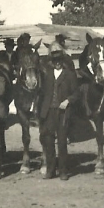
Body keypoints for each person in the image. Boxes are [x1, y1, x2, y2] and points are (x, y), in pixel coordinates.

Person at [39, 48, 81, 180]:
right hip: (49, 111)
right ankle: (51, 170)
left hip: (63, 112)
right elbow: (42, 92)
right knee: (48, 141)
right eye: (55, 61)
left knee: (62, 142)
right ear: (52, 62)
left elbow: (76, 93)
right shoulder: (48, 74)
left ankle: (63, 170)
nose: (57, 63)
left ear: (63, 61)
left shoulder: (69, 74)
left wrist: (68, 101)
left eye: (59, 61)